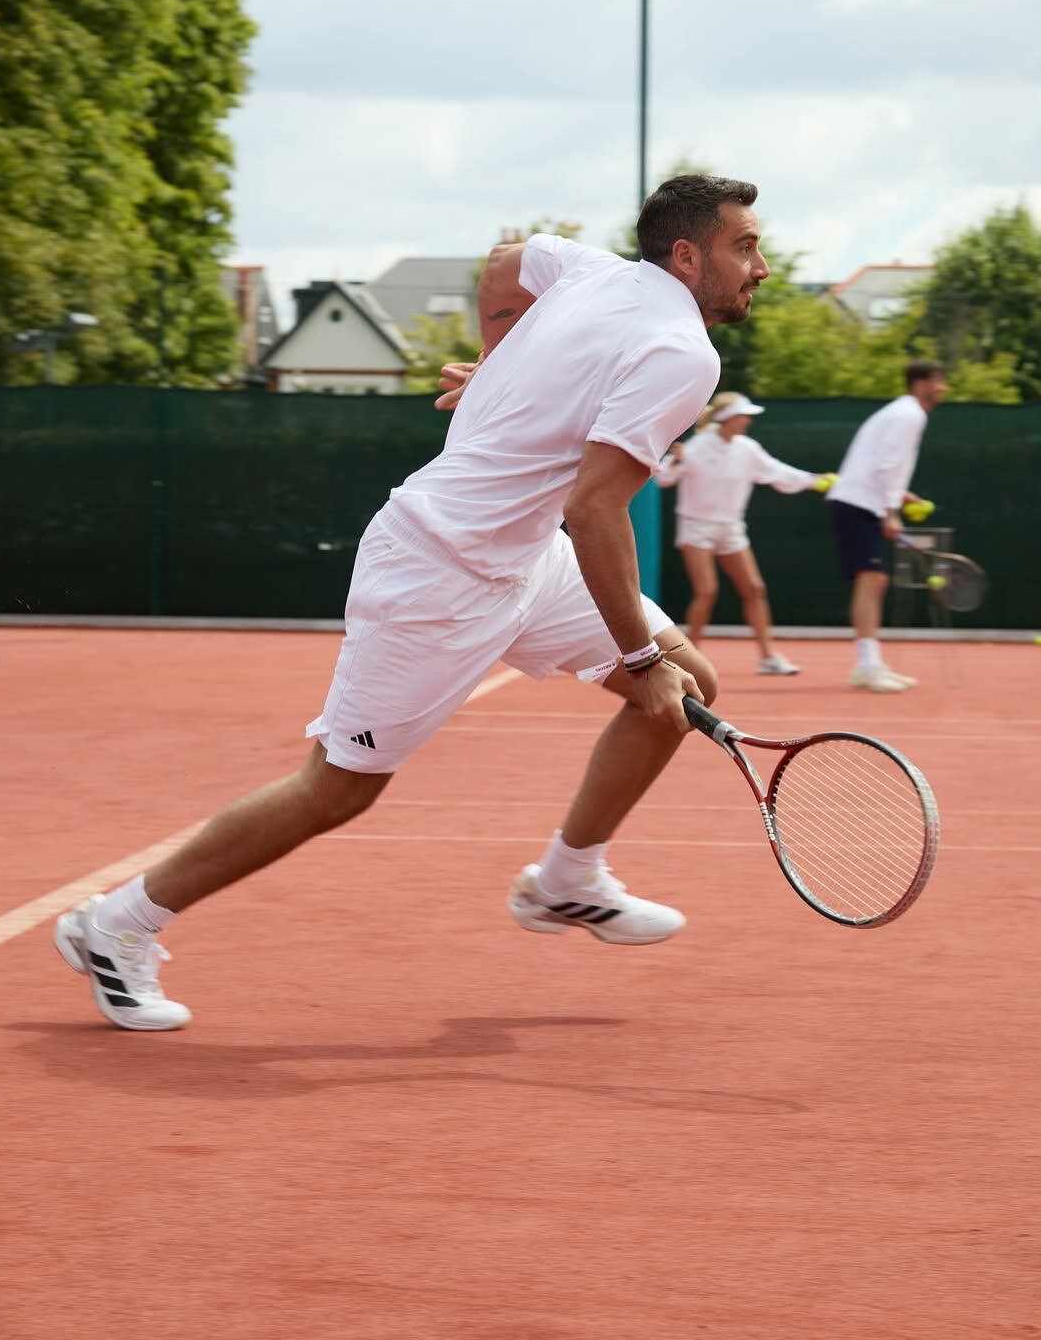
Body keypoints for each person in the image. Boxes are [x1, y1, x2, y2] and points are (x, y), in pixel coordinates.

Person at [54, 174, 771, 1031]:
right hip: (438, 574)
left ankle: (565, 883)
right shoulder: (683, 354)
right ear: (686, 254)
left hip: (524, 559)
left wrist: (504, 370)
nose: (760, 265)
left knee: (688, 686)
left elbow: (509, 263)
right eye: (744, 246)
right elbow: (594, 507)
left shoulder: (592, 274)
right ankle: (115, 925)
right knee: (339, 790)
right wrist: (640, 659)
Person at [655, 391, 833, 675]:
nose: (747, 421)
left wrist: (814, 481)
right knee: (707, 591)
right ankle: (690, 660)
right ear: (727, 419)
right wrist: (674, 460)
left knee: (754, 589)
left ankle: (768, 657)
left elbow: (778, 472)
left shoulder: (748, 449)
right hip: (696, 526)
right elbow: (663, 479)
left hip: (731, 527)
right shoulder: (697, 447)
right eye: (742, 415)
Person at [826, 359, 948, 693]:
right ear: (921, 384)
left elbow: (880, 464)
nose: (943, 388)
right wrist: (890, 511)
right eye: (938, 381)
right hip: (858, 502)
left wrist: (899, 497)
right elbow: (887, 464)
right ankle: (866, 666)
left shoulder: (900, 412)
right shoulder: (910, 414)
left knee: (875, 580)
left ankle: (871, 663)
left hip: (861, 499)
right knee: (873, 579)